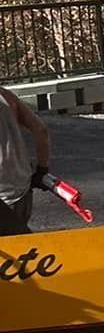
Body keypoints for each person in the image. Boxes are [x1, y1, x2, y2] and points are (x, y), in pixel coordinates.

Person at [0, 84, 50, 234]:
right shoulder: (6, 96)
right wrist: (42, 169)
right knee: (21, 247)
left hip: (2, 196)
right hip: (22, 188)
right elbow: (41, 130)